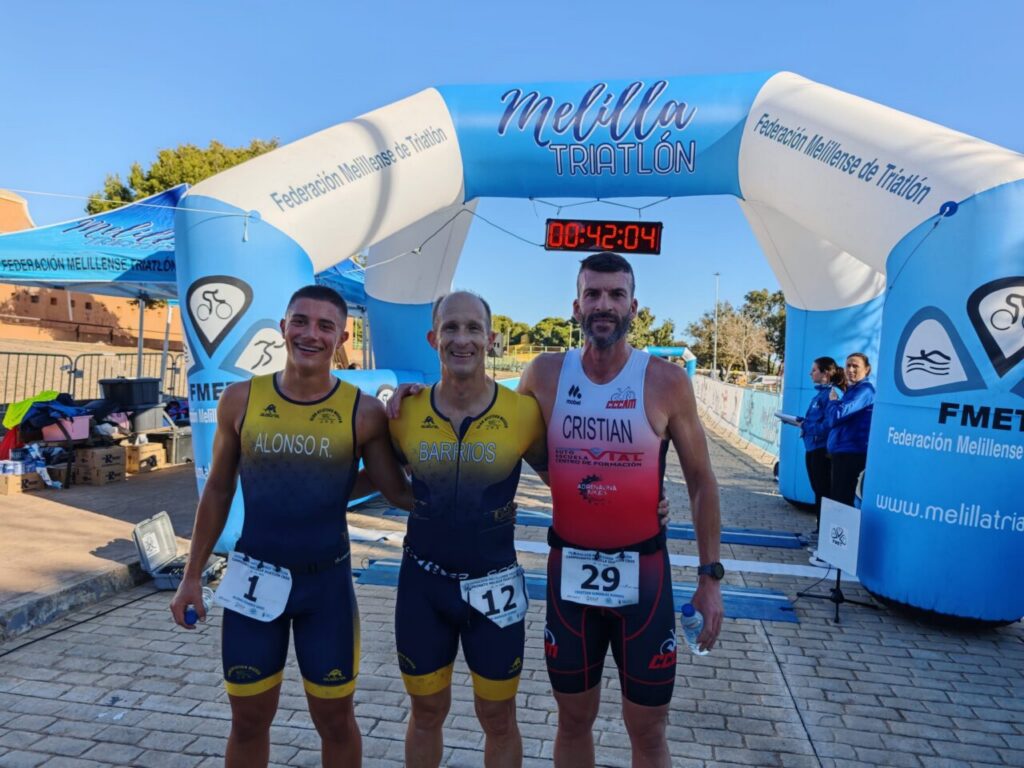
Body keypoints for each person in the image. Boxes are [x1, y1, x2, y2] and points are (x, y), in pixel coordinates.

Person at [170, 285, 413, 768]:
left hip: (326, 590)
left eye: (325, 326)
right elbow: (217, 490)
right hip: (251, 582)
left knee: (335, 721)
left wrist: (424, 424)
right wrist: (191, 575)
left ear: (343, 337)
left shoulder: (362, 411)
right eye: (300, 321)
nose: (310, 334)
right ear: (282, 328)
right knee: (248, 721)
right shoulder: (241, 400)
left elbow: (398, 491)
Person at [517, 252, 723, 768]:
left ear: (635, 306)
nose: (603, 305)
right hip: (569, 571)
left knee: (648, 730)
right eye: (593, 294)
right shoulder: (543, 375)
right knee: (572, 720)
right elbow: (503, 431)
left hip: (646, 577)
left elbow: (701, 481)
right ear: (576, 305)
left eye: (615, 295)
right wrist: (414, 394)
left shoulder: (667, 381)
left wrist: (710, 578)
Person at [388, 291, 548, 768]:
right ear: (433, 337)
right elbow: (368, 476)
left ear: (491, 339)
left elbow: (570, 479)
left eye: (474, 328)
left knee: (498, 717)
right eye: (451, 328)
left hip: (495, 584)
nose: (463, 339)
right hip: (423, 586)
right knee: (426, 711)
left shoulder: (524, 414)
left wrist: (647, 504)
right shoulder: (402, 414)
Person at [800, 356, 846, 536]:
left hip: (822, 449)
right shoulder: (819, 393)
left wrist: (806, 426)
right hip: (811, 447)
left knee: (823, 491)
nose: (811, 373)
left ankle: (825, 532)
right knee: (817, 489)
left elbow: (829, 424)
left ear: (825, 373)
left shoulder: (832, 394)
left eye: (814, 370)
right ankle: (821, 529)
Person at [826, 352, 875, 506]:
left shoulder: (865, 390)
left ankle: (843, 531)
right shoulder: (852, 390)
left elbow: (836, 416)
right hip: (841, 451)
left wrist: (833, 402)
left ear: (867, 369)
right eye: (848, 365)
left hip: (852, 454)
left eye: (856, 366)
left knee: (843, 501)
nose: (851, 369)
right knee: (837, 498)